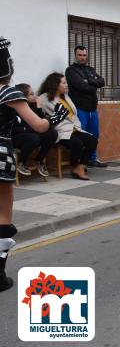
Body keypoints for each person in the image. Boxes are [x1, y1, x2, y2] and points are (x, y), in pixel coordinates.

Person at [0, 38, 68, 291]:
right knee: (3, 217)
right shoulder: (8, 91)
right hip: (1, 152)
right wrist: (54, 119)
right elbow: (38, 126)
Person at [39, 73, 98, 180]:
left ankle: (80, 166)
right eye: (64, 83)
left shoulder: (65, 96)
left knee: (92, 140)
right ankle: (74, 166)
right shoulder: (44, 99)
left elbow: (73, 115)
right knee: (77, 144)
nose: (66, 85)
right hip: (60, 131)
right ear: (55, 85)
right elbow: (40, 114)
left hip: (74, 128)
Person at [65, 46, 106, 168]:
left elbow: (102, 82)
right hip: (80, 109)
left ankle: (91, 159)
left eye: (84, 55)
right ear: (75, 55)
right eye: (80, 55)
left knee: (94, 135)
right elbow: (80, 86)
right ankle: (79, 163)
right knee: (81, 137)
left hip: (92, 109)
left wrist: (89, 80)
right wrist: (93, 84)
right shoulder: (71, 70)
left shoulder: (90, 69)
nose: (82, 57)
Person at [11, 84, 58, 177]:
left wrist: (39, 107)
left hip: (29, 133)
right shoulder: (14, 107)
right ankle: (22, 162)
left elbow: (43, 123)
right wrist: (29, 128)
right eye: (31, 94)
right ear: (23, 96)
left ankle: (39, 160)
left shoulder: (33, 106)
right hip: (14, 137)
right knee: (34, 138)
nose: (35, 96)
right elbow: (13, 129)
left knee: (52, 133)